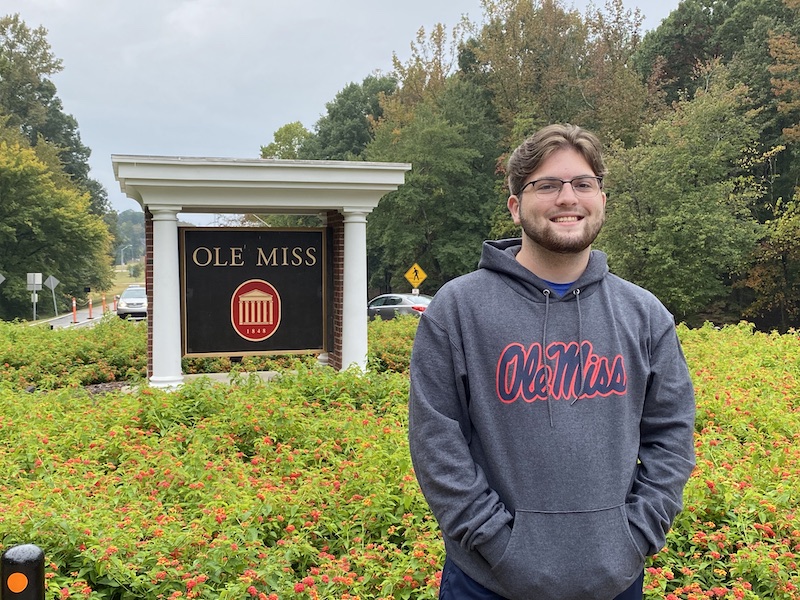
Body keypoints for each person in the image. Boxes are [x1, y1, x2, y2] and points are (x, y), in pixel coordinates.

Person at [408, 123, 696, 600]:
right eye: (547, 185)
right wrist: (498, 545)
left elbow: (672, 433)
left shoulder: (644, 314)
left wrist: (634, 536)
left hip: (615, 578)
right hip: (486, 580)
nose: (568, 197)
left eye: (583, 183)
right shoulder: (458, 310)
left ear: (601, 198)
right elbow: (437, 442)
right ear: (516, 207)